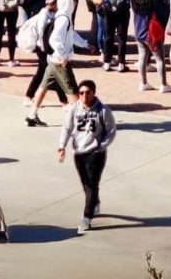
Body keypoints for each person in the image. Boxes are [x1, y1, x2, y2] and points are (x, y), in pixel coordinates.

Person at [57, 79, 118, 235]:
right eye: (81, 93)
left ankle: (87, 217)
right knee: (86, 184)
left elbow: (111, 131)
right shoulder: (74, 109)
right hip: (79, 152)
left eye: (87, 92)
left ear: (93, 93)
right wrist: (61, 146)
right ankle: (95, 202)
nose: (84, 95)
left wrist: (101, 146)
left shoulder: (103, 111)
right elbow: (67, 128)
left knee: (92, 184)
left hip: (95, 153)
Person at [26, 0, 92, 127]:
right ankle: (82, 120)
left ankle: (32, 115)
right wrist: (63, 55)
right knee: (72, 89)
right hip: (59, 61)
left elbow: (71, 35)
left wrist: (85, 44)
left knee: (43, 86)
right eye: (72, 0)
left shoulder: (62, 16)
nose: (74, 3)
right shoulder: (64, 18)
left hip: (52, 59)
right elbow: (55, 39)